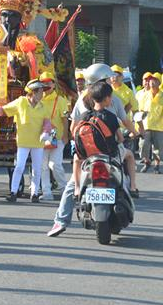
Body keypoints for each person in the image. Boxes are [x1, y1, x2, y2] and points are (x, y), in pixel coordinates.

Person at [48, 64, 139, 237]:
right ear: (101, 81)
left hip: (88, 152)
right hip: (110, 151)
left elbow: (74, 128)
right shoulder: (112, 99)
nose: (111, 81)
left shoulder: (82, 100)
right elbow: (125, 124)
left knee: (72, 184)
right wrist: (135, 132)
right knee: (127, 160)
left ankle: (60, 221)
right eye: (107, 79)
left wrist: (83, 142)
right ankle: (132, 188)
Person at [0, 80, 49, 203]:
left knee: (37, 168)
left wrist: (45, 132)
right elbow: (4, 110)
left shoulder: (43, 107)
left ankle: (35, 193)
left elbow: (47, 123)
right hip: (23, 141)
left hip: (38, 143)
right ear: (33, 92)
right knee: (19, 167)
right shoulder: (21, 102)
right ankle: (13, 192)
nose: (42, 94)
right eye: (40, 92)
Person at [39, 72, 70, 201]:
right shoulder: (37, 99)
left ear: (53, 84)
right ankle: (47, 192)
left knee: (54, 164)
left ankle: (65, 189)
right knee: (43, 165)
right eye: (44, 82)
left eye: (49, 82)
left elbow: (65, 119)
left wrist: (66, 135)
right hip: (41, 137)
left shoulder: (61, 100)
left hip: (57, 137)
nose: (47, 85)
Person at [137, 73, 163, 173]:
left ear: (159, 82)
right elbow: (140, 110)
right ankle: (147, 162)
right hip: (146, 125)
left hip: (159, 127)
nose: (152, 82)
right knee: (144, 145)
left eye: (155, 80)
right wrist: (138, 126)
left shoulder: (162, 96)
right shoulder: (145, 95)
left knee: (158, 148)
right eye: (151, 80)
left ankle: (156, 166)